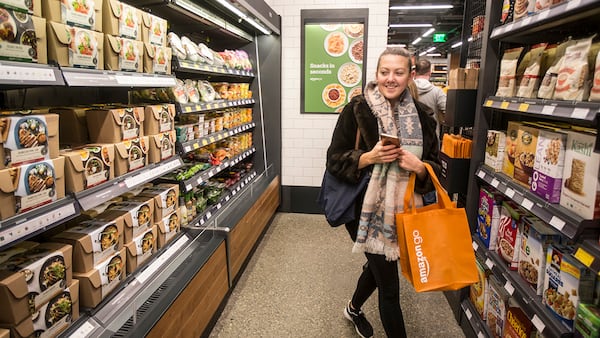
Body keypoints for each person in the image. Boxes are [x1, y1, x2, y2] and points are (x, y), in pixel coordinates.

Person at [325, 47, 442, 338]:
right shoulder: (357, 109)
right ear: (377, 74)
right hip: (364, 209)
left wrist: (420, 167)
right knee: (390, 287)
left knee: (379, 270)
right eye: (384, 72)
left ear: (410, 75)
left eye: (398, 72)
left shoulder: (424, 117)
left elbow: (436, 168)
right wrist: (368, 157)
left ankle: (352, 309)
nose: (391, 79)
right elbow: (334, 158)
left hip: (406, 211)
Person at [413, 58, 446, 140]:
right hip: (432, 136)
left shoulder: (407, 90)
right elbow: (448, 112)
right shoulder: (437, 91)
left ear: (414, 73)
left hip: (411, 137)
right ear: (430, 73)